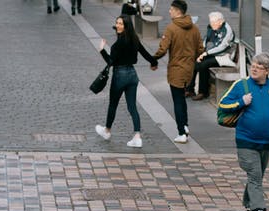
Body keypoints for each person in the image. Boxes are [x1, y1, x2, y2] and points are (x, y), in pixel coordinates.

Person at [218, 52, 269, 211]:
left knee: (257, 176)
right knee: (255, 175)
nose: (254, 69)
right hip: (245, 140)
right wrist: (241, 101)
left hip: (266, 142)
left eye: (259, 67)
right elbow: (223, 104)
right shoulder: (241, 85)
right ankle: (258, 210)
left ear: (267, 71)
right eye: (253, 66)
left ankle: (248, 208)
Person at [96, 17, 159, 149]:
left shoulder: (118, 44)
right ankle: (137, 137)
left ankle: (107, 131)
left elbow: (110, 62)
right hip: (132, 75)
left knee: (113, 104)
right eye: (117, 23)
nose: (118, 26)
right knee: (132, 106)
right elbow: (145, 53)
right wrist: (154, 63)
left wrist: (102, 50)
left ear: (126, 26)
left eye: (121, 24)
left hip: (120, 75)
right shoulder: (134, 39)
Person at [153, 0, 203, 144]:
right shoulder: (194, 28)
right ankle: (185, 125)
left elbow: (162, 49)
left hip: (176, 70)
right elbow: (200, 48)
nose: (169, 11)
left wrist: (153, 59)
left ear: (177, 11)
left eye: (171, 9)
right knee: (182, 98)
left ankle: (181, 132)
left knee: (178, 101)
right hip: (189, 69)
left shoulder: (171, 28)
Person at [189, 12, 235, 101]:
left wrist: (206, 53)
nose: (211, 24)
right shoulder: (212, 26)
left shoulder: (227, 31)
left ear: (221, 22)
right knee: (195, 60)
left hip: (224, 56)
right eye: (211, 22)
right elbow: (206, 39)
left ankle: (203, 92)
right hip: (214, 53)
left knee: (203, 65)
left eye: (214, 22)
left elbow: (222, 47)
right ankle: (189, 89)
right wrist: (201, 51)